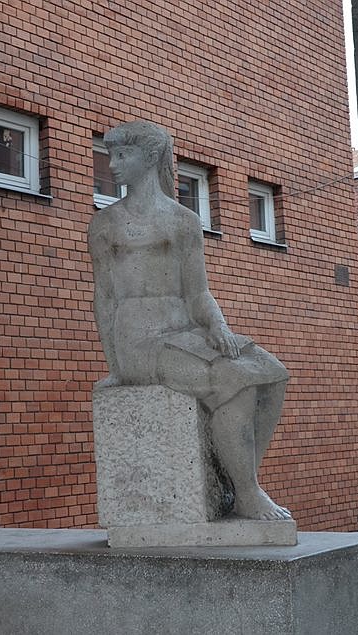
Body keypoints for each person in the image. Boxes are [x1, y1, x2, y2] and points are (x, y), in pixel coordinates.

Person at [88, 121, 292, 521]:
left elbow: (198, 293)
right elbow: (105, 298)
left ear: (150, 158)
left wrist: (218, 326)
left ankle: (234, 475)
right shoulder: (106, 224)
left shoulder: (183, 221)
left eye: (122, 155)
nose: (112, 165)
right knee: (236, 382)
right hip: (140, 341)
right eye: (111, 155)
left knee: (271, 374)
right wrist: (116, 367)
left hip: (185, 334)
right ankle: (247, 492)